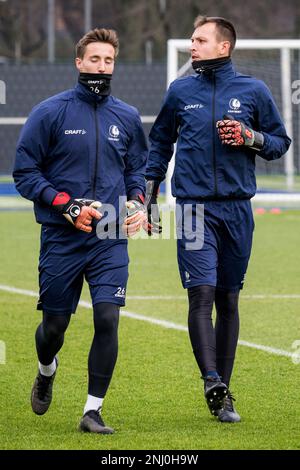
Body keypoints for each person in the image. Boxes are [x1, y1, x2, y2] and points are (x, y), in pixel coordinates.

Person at [145, 16, 291, 423]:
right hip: (193, 207)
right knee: (201, 295)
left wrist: (250, 137)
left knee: (228, 299)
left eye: (200, 40)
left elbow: (280, 142)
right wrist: (150, 193)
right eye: (191, 39)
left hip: (237, 210)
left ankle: (223, 394)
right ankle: (211, 378)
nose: (192, 46)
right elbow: (159, 142)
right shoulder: (179, 91)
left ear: (223, 47)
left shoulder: (254, 91)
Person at [13, 28, 147, 434]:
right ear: (78, 62)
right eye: (94, 60)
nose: (102, 67)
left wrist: (139, 202)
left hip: (110, 236)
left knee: (108, 317)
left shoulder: (126, 116)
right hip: (62, 237)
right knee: (54, 328)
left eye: (108, 61)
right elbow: (25, 172)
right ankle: (46, 368)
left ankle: (92, 410)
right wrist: (65, 204)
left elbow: (136, 170)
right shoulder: (49, 112)